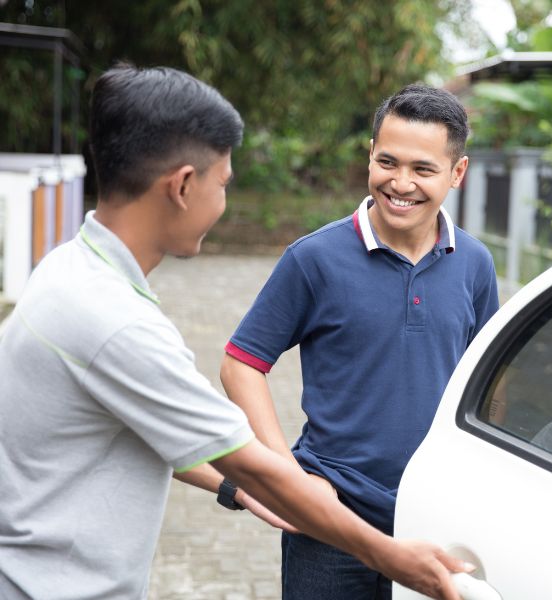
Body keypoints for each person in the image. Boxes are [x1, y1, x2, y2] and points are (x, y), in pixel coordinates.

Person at [0, 65, 469, 600]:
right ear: (182, 186)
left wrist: (237, 489)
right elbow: (246, 455)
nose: (224, 203)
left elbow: (173, 435)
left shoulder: (69, 272)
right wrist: (387, 555)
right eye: (223, 184)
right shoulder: (118, 324)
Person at [221, 83, 500, 599]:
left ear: (456, 173)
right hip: (329, 521)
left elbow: (488, 381)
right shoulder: (314, 259)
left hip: (433, 517)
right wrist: (289, 478)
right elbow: (241, 363)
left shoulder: (476, 265)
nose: (401, 183)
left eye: (423, 169)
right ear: (370, 155)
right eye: (387, 162)